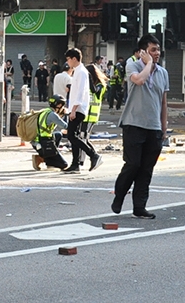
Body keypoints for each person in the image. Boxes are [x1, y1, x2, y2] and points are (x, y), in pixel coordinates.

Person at [111, 35, 168, 218]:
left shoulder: (163, 73)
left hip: (154, 127)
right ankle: (119, 194)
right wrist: (148, 63)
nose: (157, 53)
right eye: (153, 50)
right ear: (143, 52)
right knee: (133, 164)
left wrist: (163, 128)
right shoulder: (132, 66)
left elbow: (164, 103)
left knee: (146, 169)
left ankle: (139, 207)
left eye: (158, 50)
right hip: (133, 124)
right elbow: (139, 81)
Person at [65, 51, 104, 173]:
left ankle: (93, 155)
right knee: (74, 135)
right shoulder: (78, 71)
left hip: (79, 109)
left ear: (75, 59)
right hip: (75, 109)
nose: (67, 62)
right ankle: (75, 164)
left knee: (71, 135)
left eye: (69, 59)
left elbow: (81, 92)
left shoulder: (81, 72)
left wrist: (74, 110)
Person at [32, 95, 70, 170]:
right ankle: (43, 158)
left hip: (37, 141)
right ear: (58, 105)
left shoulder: (45, 111)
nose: (62, 107)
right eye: (62, 105)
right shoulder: (53, 115)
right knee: (64, 165)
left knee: (58, 134)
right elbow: (65, 126)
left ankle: (47, 157)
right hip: (44, 143)